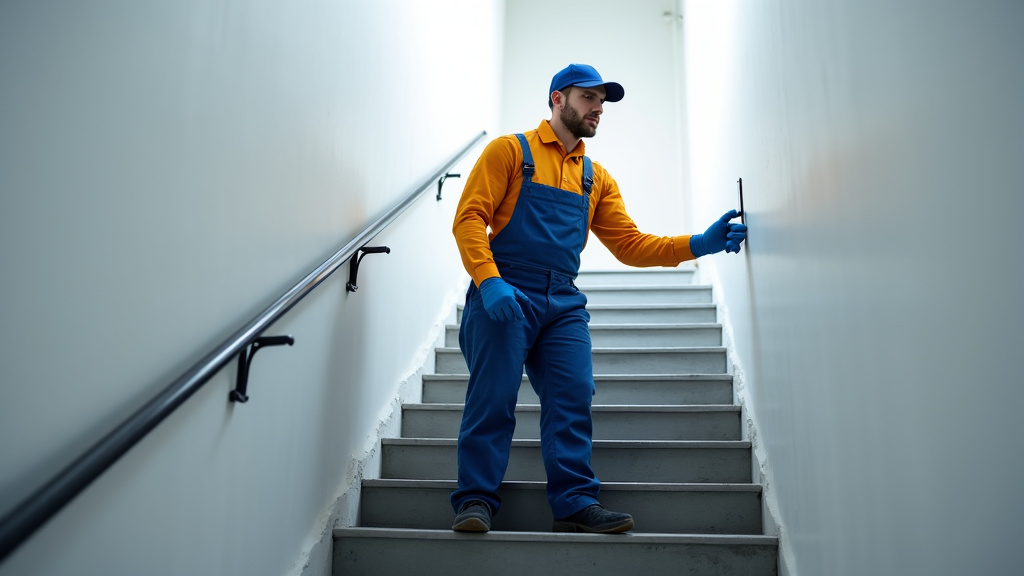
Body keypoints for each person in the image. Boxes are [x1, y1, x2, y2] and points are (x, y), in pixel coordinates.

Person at [449, 63, 747, 534]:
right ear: (557, 99)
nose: (598, 109)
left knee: (573, 395)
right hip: (506, 291)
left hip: (562, 303)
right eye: (588, 98)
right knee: (493, 397)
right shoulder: (510, 151)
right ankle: (475, 501)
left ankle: (573, 502)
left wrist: (699, 244)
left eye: (602, 102)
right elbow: (469, 219)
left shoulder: (595, 178)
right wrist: (489, 281)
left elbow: (629, 244)